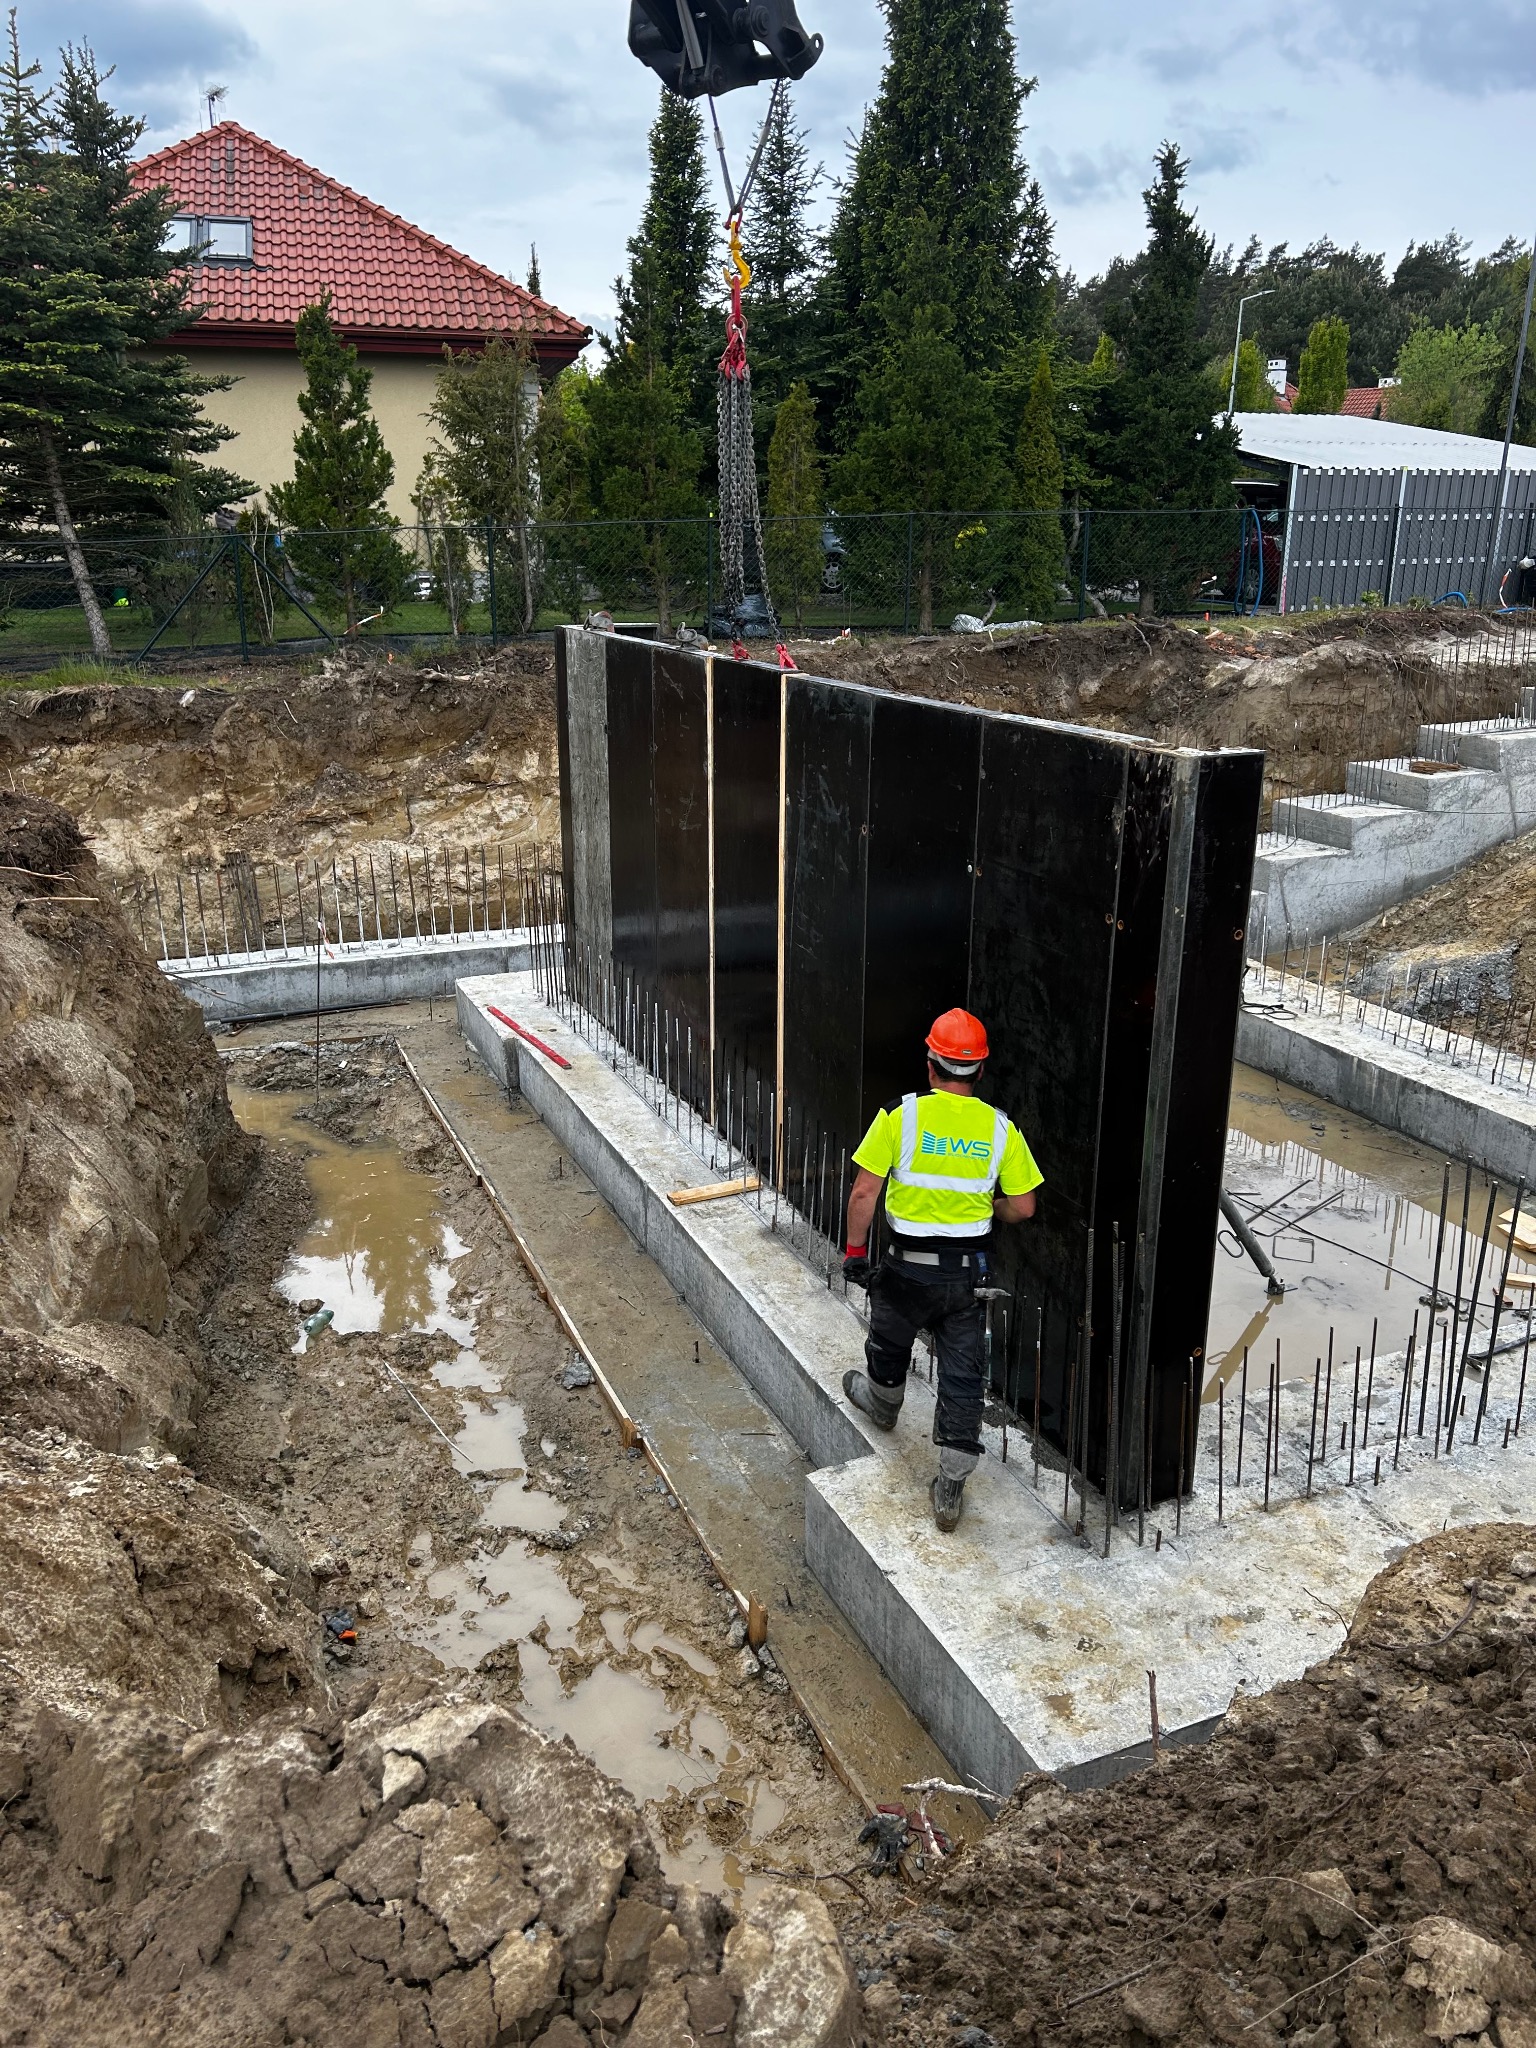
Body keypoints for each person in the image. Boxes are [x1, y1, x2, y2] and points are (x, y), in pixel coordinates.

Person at [841, 1009, 1043, 1531]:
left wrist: (855, 1253)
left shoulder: (899, 1116)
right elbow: (1024, 1207)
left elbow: (864, 1192)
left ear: (930, 1066)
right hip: (967, 1280)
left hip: (905, 1270)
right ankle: (950, 1489)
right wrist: (990, 1206)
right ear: (980, 1072)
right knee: (962, 1375)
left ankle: (883, 1405)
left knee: (889, 1341)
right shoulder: (1000, 1128)